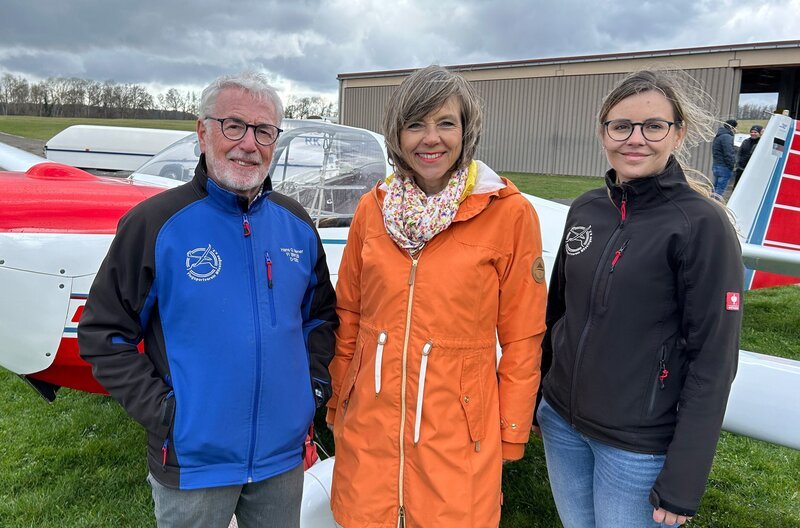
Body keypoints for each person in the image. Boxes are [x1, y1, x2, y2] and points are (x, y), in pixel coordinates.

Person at [77, 71, 338, 528]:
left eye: (264, 131)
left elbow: (320, 319)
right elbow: (104, 332)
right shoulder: (156, 224)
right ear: (202, 132)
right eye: (233, 125)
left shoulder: (296, 224)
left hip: (281, 462)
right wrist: (167, 413)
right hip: (194, 464)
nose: (248, 144)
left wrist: (309, 390)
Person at [326, 65, 547, 527]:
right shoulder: (374, 208)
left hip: (458, 428)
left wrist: (511, 428)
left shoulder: (509, 213)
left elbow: (524, 334)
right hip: (369, 418)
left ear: (466, 131)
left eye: (445, 123)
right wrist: (339, 396)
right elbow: (349, 311)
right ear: (397, 134)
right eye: (415, 124)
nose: (431, 139)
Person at [536, 69, 742, 527]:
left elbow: (714, 361)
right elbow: (558, 313)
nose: (635, 139)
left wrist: (684, 479)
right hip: (561, 424)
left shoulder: (702, 225)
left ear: (678, 133)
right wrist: (539, 394)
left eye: (653, 126)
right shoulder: (586, 208)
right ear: (603, 131)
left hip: (636, 447)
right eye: (621, 126)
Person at [711, 118, 738, 196]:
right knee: (719, 191)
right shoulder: (727, 137)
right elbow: (729, 153)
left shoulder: (719, 136)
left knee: (714, 188)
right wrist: (731, 165)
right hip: (724, 167)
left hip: (716, 165)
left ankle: (710, 203)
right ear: (732, 127)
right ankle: (716, 205)